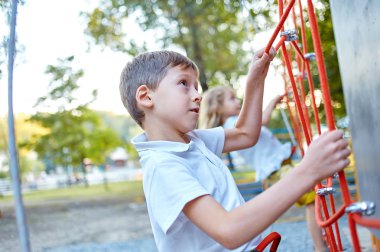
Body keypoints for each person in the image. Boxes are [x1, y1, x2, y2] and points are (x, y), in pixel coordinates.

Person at [119, 48, 350, 252]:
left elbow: (246, 133)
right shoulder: (163, 166)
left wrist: (255, 80)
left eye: (197, 87)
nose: (198, 95)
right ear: (146, 96)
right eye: (183, 84)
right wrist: (308, 171)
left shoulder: (193, 141)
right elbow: (228, 230)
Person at [199, 86, 327, 251]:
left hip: (278, 170)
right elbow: (263, 120)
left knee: (313, 198)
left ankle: (321, 244)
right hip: (276, 172)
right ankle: (320, 247)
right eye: (231, 99)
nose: (237, 101)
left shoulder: (234, 124)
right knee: (313, 199)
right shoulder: (234, 124)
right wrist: (273, 101)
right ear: (218, 107)